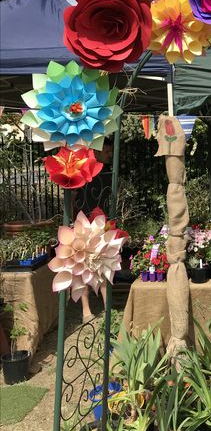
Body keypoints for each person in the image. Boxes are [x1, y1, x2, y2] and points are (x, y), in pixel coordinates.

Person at [74, 138, 114, 322]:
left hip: (102, 223)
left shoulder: (108, 173)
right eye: (107, 152)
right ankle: (85, 310)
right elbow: (75, 197)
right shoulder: (82, 172)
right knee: (81, 266)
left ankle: (108, 307)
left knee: (103, 263)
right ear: (96, 153)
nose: (110, 155)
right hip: (83, 223)